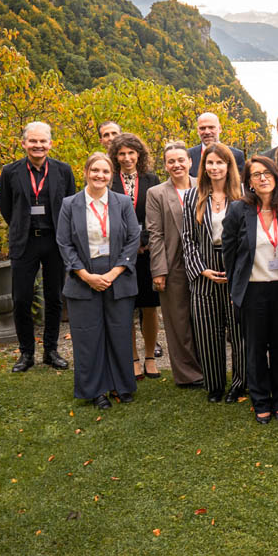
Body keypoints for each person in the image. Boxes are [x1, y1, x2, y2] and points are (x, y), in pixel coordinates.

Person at [56, 152, 140, 409]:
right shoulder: (70, 204)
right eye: (95, 170)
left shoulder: (122, 202)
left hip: (118, 276)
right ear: (86, 172)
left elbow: (133, 238)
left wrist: (114, 272)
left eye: (105, 172)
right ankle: (96, 390)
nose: (100, 176)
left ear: (110, 176)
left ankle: (122, 385)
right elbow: (64, 243)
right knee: (88, 337)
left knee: (119, 333)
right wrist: (85, 275)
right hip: (84, 278)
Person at [223, 156, 278, 425]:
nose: (262, 178)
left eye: (267, 173)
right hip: (252, 291)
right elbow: (229, 253)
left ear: (276, 176)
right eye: (256, 175)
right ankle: (260, 401)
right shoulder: (238, 211)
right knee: (254, 350)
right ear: (249, 182)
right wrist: (235, 287)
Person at [0, 122, 76, 372]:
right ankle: (26, 353)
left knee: (54, 297)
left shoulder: (63, 171)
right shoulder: (10, 172)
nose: (38, 146)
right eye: (33, 141)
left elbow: (71, 205)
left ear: (50, 144)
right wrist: (21, 227)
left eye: (43, 141)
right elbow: (6, 207)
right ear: (24, 144)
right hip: (25, 241)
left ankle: (51, 351)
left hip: (54, 241)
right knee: (21, 298)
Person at [181, 143, 246, 404]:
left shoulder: (242, 196)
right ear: (203, 166)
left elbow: (247, 238)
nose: (215, 167)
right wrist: (201, 270)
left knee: (239, 330)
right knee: (208, 331)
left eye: (220, 162)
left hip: (235, 269)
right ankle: (215, 385)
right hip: (204, 269)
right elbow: (187, 238)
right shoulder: (191, 197)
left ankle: (241, 384)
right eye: (210, 163)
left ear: (229, 165)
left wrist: (238, 271)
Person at [145, 142, 204, 387]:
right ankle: (188, 375)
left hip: (204, 263)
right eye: (171, 161)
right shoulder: (156, 193)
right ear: (165, 165)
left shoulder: (205, 187)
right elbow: (155, 233)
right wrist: (159, 270)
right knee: (178, 321)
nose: (176, 165)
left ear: (190, 162)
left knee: (203, 318)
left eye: (181, 160)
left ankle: (208, 368)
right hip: (174, 263)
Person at [108, 133, 161, 379]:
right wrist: (129, 245)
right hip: (120, 255)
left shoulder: (151, 179)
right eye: (122, 153)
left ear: (139, 154)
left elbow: (157, 216)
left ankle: (150, 356)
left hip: (148, 252)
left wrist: (145, 242)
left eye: (131, 153)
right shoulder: (109, 182)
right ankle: (133, 358)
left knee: (150, 307)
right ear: (115, 157)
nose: (127, 158)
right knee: (126, 307)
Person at [187, 112, 246, 178]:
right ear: (197, 131)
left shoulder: (236, 156)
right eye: (202, 128)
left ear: (220, 128)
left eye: (211, 127)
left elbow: (240, 184)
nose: (207, 132)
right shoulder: (188, 155)